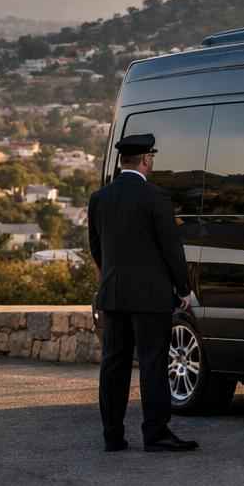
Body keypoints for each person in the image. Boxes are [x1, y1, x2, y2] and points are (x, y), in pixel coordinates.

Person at [89, 132, 199, 453]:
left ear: (124, 161)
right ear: (147, 160)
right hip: (151, 296)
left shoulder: (100, 199)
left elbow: (97, 249)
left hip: (113, 293)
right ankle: (155, 433)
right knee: (152, 364)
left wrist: (111, 277)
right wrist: (183, 288)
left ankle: (112, 435)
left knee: (113, 365)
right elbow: (171, 249)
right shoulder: (156, 199)